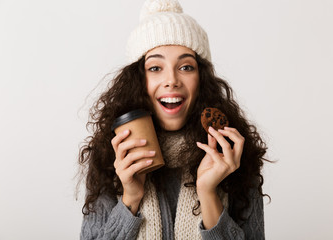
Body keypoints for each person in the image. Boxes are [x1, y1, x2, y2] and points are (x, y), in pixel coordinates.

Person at [78, 0, 269, 239]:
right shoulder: (112, 158)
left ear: (202, 79)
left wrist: (208, 194)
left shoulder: (234, 157)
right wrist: (130, 199)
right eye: (155, 68)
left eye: (186, 67)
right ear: (138, 81)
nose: (171, 80)